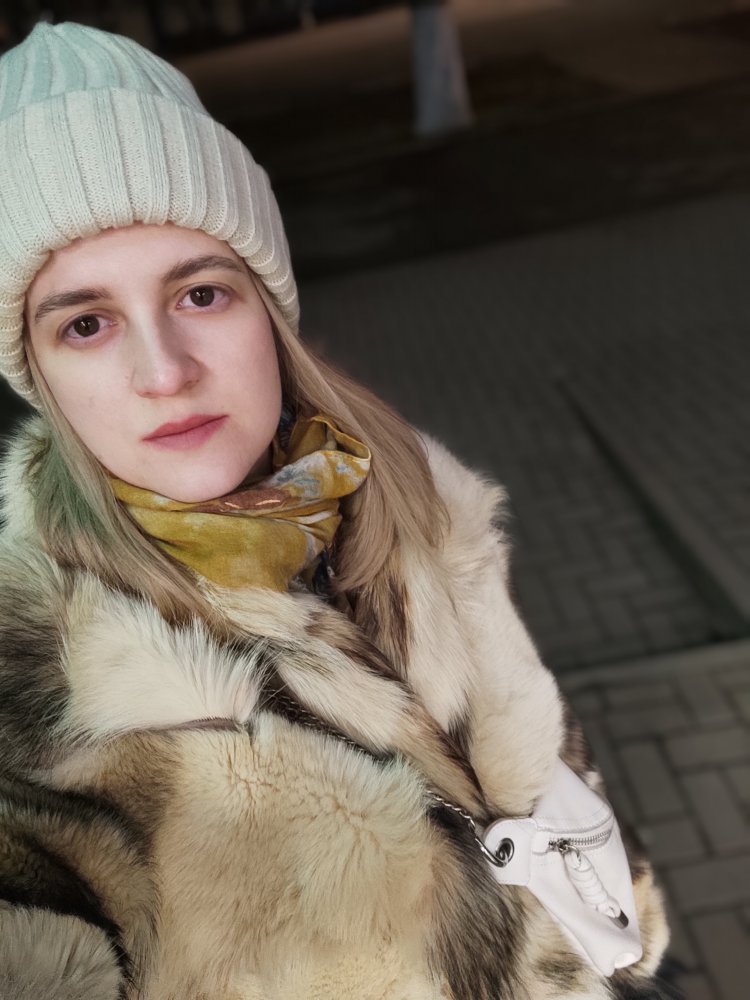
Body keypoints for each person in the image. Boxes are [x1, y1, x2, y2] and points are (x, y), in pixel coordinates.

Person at [0, 21, 671, 1000]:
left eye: (200, 295)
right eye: (88, 322)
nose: (164, 371)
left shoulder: (415, 512)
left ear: (266, 308)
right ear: (39, 371)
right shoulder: (37, 720)